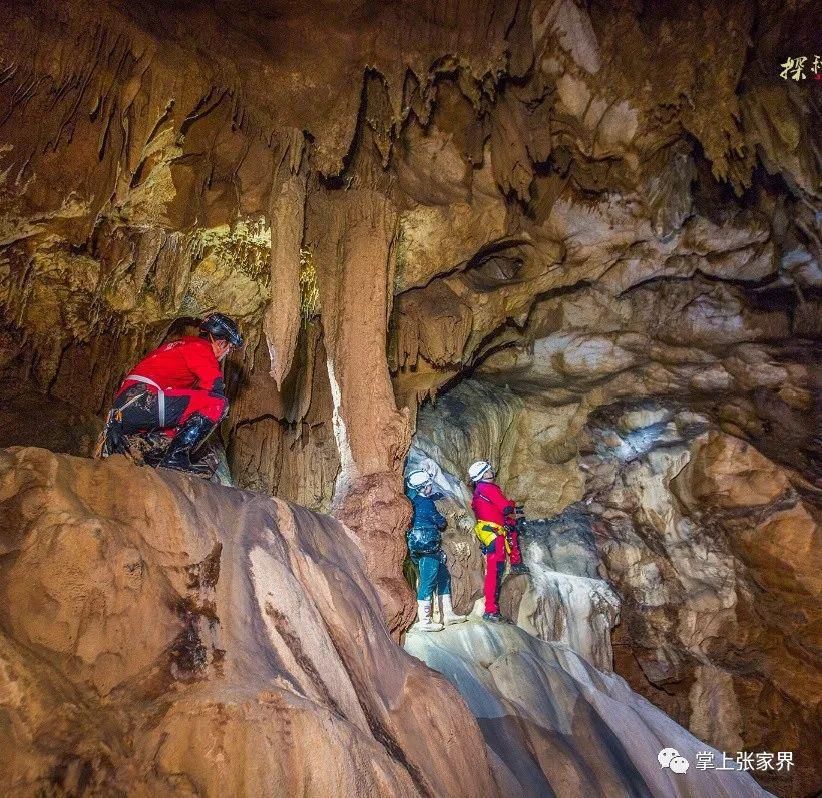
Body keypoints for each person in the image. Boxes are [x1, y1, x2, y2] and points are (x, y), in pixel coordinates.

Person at [101, 314, 243, 472]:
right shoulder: (201, 348)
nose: (227, 352)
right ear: (220, 342)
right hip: (144, 399)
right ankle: (175, 457)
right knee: (217, 403)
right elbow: (214, 386)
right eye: (229, 347)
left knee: (183, 421)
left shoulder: (181, 344)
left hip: (126, 409)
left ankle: (142, 447)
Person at [406, 469, 467, 632]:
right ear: (423, 487)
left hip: (421, 546)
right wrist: (443, 519)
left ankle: (448, 614)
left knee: (443, 576)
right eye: (428, 485)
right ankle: (425, 621)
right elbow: (440, 523)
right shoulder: (427, 504)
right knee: (428, 581)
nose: (431, 487)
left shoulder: (416, 500)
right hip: (427, 547)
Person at [469, 460, 529, 623]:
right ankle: (490, 610)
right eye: (488, 470)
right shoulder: (488, 488)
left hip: (489, 533)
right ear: (483, 475)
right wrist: (512, 505)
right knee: (495, 572)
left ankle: (492, 609)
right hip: (495, 535)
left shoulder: (479, 490)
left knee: (495, 572)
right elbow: (505, 508)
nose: (491, 471)